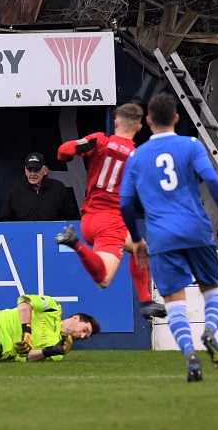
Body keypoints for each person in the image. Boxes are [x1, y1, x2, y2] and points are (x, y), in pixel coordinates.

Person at [120, 91, 218, 382]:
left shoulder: (137, 156)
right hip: (196, 229)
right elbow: (211, 179)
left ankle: (189, 355)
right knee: (212, 289)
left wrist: (136, 240)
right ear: (176, 117)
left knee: (174, 301)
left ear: (147, 121)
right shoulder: (191, 145)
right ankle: (209, 330)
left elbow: (124, 203)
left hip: (161, 237)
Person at [54, 103, 166, 320]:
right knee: (103, 279)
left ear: (116, 123)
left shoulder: (99, 140)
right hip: (110, 222)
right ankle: (74, 243)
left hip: (89, 218)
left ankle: (146, 302)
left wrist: (71, 155)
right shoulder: (138, 157)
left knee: (139, 248)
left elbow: (63, 151)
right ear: (139, 127)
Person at [0, 152, 80, 221]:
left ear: (45, 170)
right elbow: (5, 220)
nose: (32, 174)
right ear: (25, 171)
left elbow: (71, 218)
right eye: (30, 170)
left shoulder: (58, 188)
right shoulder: (16, 190)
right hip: (24, 238)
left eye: (36, 170)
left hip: (52, 237)